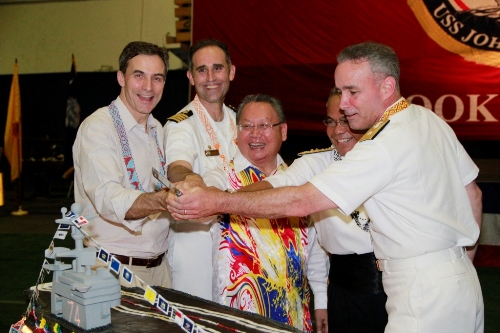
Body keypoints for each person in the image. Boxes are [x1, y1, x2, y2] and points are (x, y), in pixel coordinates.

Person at [167, 41, 484, 333]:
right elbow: (473, 193)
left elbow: (301, 203)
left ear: (387, 86)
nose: (343, 105)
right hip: (458, 281)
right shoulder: (428, 120)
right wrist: (457, 263)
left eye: (352, 92)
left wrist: (217, 202)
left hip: (421, 289)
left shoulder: (382, 143)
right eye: (340, 92)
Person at [245, 88, 387, 333]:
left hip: (396, 287)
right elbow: (277, 184)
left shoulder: (389, 159)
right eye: (330, 121)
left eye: (345, 120)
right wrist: (222, 199)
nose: (337, 130)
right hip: (344, 291)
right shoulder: (316, 163)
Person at [202, 94, 328, 333]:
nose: (255, 134)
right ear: (236, 134)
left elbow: (314, 249)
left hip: (294, 315)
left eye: (264, 125)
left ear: (284, 131)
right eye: (247, 126)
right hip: (238, 317)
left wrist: (321, 301)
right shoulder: (220, 180)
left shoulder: (301, 183)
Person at [73, 41, 172, 287]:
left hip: (160, 269)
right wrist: (165, 200)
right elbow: (108, 198)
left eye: (157, 78)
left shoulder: (158, 128)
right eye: (139, 76)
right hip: (111, 269)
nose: (148, 87)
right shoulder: (98, 128)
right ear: (121, 78)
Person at [163, 39, 238, 299]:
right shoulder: (181, 124)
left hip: (237, 242)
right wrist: (191, 180)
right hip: (196, 244)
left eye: (217, 68)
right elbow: (177, 167)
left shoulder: (240, 120)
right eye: (201, 70)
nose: (210, 77)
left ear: (231, 71)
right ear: (190, 77)